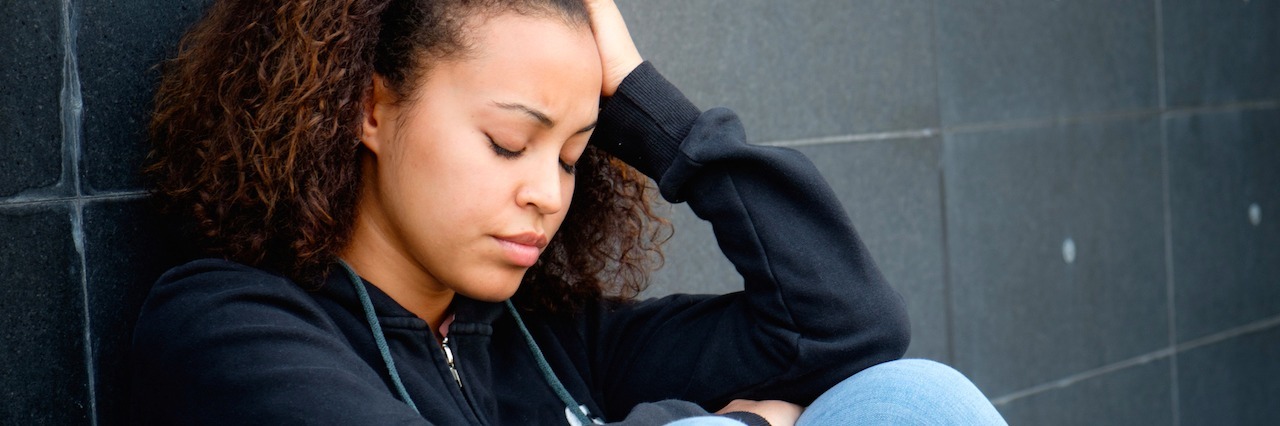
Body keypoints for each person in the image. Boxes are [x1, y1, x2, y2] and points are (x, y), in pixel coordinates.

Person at [132, 0, 1007, 424]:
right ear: (369, 108)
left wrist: (651, 112)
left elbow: (845, 328)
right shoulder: (228, 326)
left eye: (575, 156)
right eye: (510, 144)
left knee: (915, 399)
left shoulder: (554, 340)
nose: (547, 194)